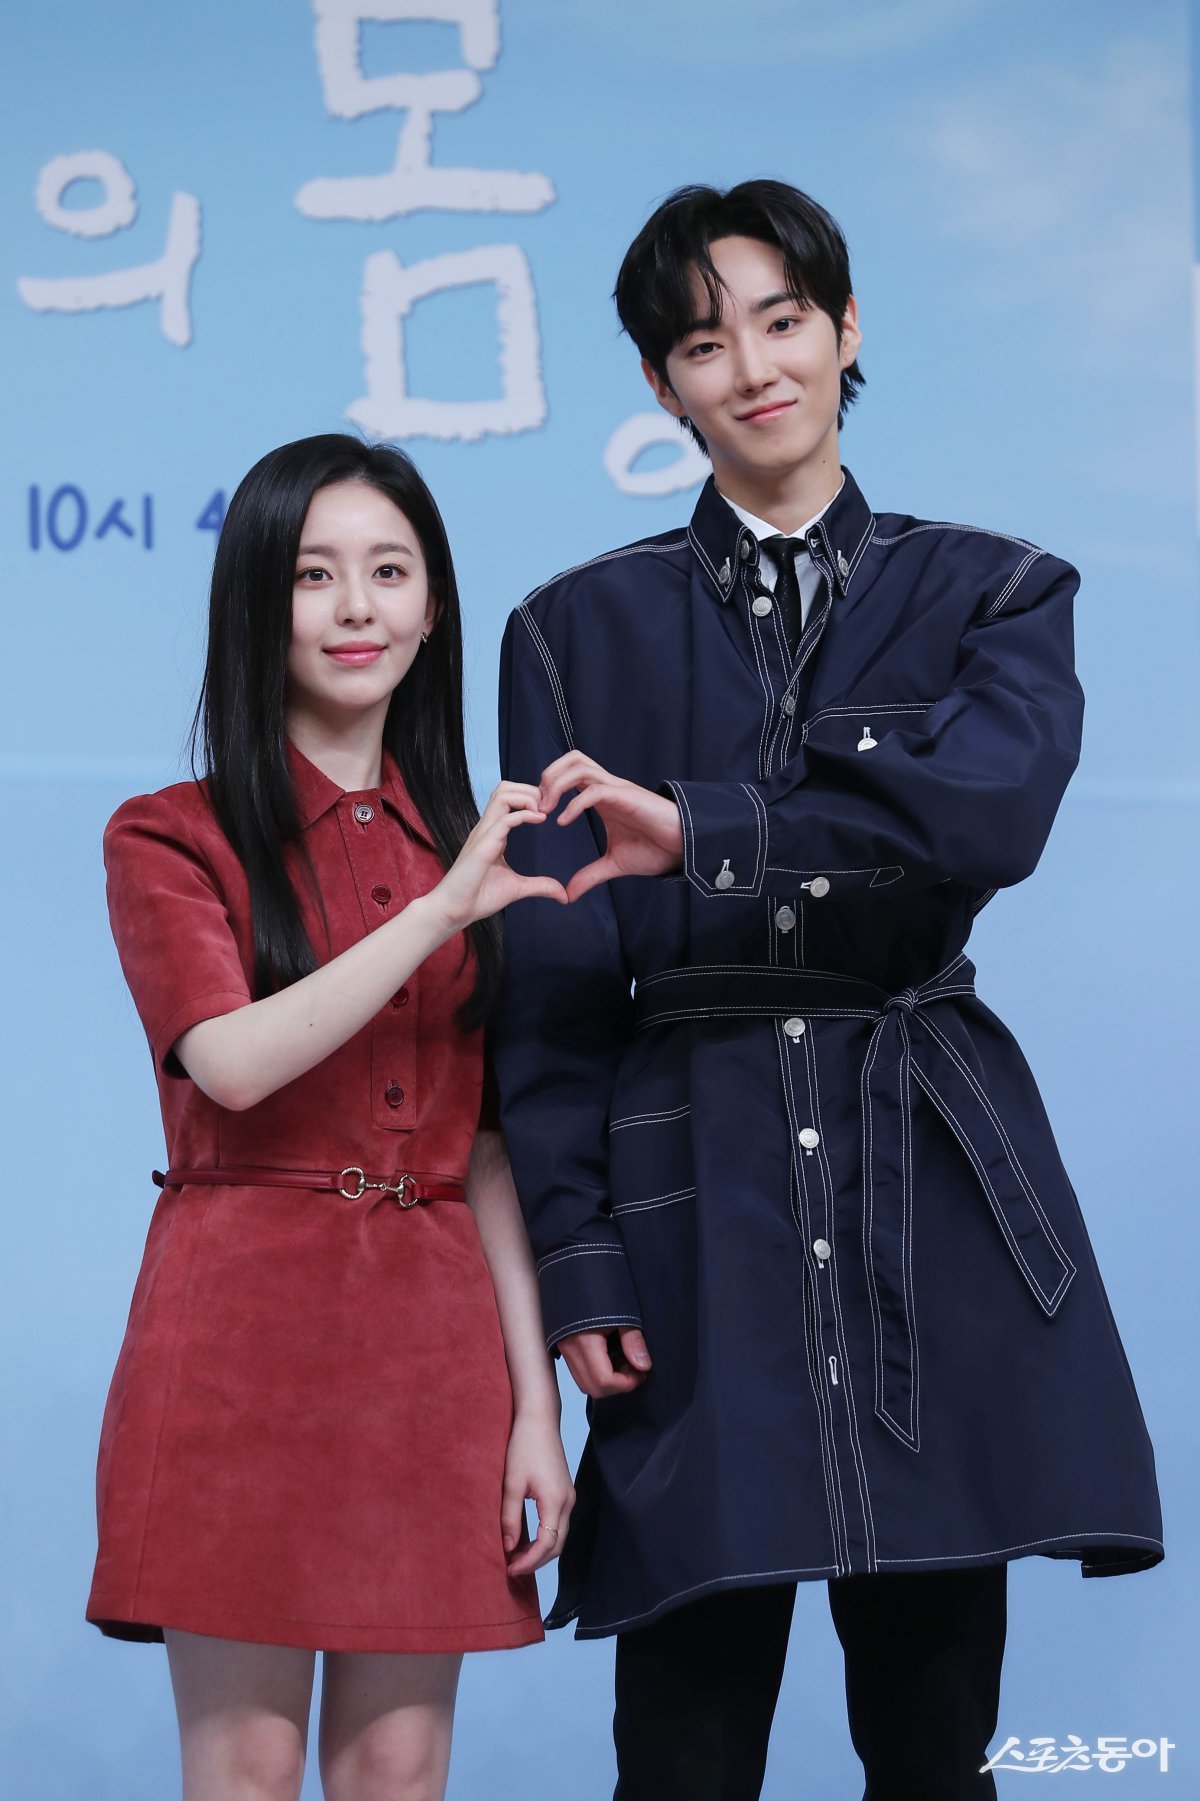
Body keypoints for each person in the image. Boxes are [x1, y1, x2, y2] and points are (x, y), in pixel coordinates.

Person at [492, 181, 1163, 1801]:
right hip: (693, 1205)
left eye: (783, 321)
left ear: (847, 328)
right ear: (662, 382)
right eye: (703, 343)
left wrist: (707, 829)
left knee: (937, 1747)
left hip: (923, 1172)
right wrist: (581, 1263)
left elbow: (987, 815)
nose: (753, 369)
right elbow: (553, 983)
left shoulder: (995, 590)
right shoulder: (571, 631)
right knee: (682, 1753)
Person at [87, 434, 574, 1801]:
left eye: (389, 571)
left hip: (432, 1354)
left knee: (400, 1776)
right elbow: (231, 1063)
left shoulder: (473, 851)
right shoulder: (170, 834)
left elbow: (485, 1152)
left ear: (433, 606)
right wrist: (439, 910)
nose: (356, 607)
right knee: (244, 1775)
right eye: (313, 574)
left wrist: (536, 1409)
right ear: (258, 601)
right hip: (237, 1341)